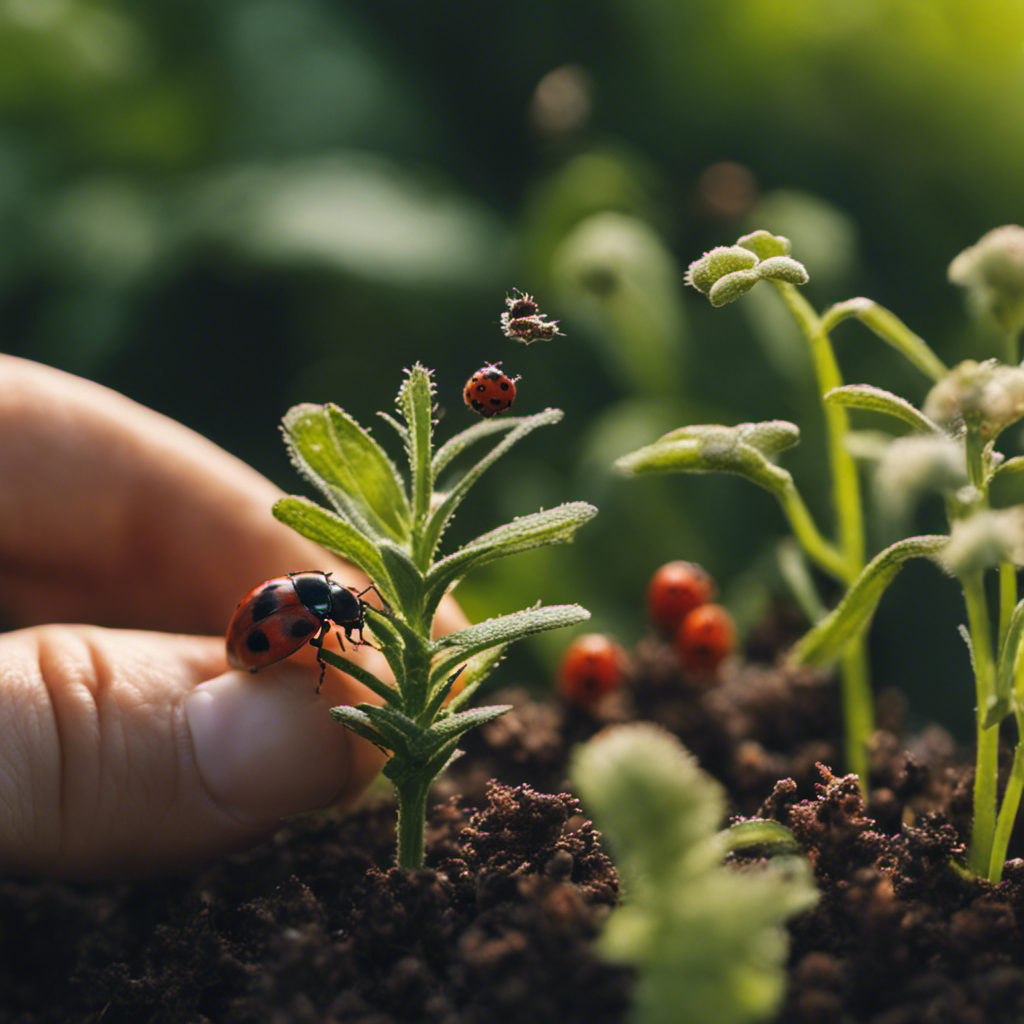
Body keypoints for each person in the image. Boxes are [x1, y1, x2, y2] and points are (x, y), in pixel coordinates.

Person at [0, 355, 466, 880]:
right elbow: (315, 640)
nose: (351, 619)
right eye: (346, 611)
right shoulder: (306, 616)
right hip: (248, 657)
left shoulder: (305, 600)